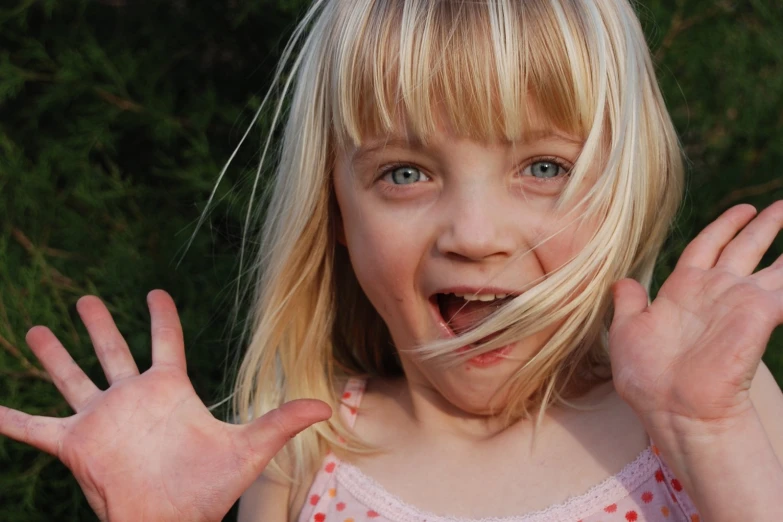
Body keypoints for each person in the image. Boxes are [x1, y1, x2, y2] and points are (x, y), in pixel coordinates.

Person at [2, 0, 783, 520]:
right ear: (335, 211)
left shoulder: (702, 414)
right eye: (404, 173)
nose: (473, 233)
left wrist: (710, 438)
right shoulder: (306, 457)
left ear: (625, 187)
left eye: (544, 167)